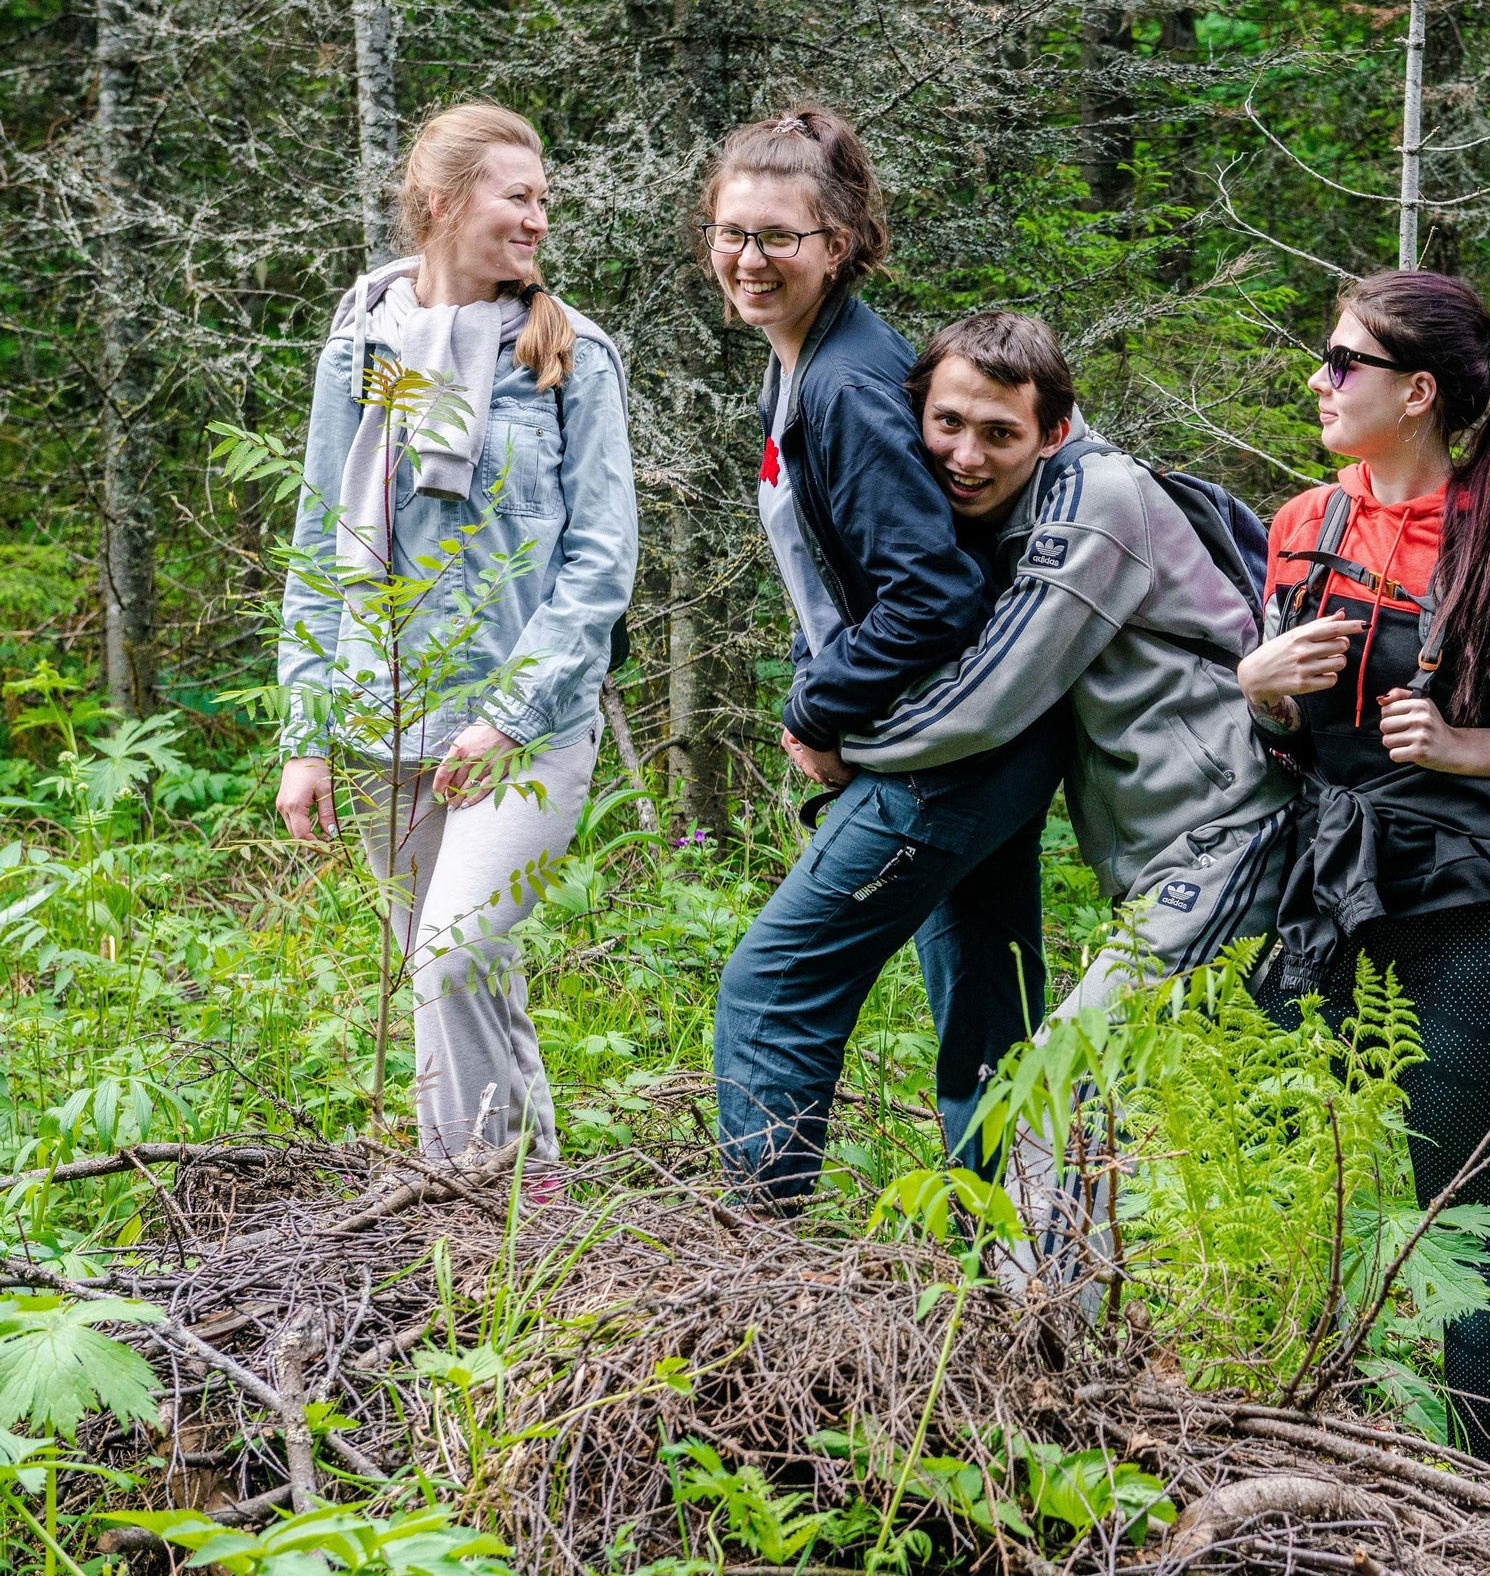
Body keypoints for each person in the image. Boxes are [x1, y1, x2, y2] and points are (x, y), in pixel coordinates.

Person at [1240, 270, 1490, 1458]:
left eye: (1343, 363)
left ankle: (1481, 1481)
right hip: (1326, 882)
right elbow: (1286, 737)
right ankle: (1286, 1428)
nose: (1318, 380)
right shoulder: (1301, 525)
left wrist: (1479, 747)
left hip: (1472, 900)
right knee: (1292, 1169)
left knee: (1464, 1200)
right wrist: (1256, 686)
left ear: (1416, 393)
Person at [702, 106, 1068, 1198]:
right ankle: (1020, 1263)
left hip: (949, 745)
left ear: (840, 243)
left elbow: (932, 593)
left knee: (770, 988)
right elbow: (852, 574)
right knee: (987, 1018)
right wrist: (828, 688)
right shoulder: (807, 365)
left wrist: (816, 709)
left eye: (780, 236)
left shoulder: (846, 385)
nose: (750, 259)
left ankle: (759, 1261)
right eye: (732, 232)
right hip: (981, 730)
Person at [276, 102, 638, 1166]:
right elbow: (321, 543)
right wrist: (306, 734)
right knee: (455, 986)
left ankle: (475, 1200)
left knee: (453, 956)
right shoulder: (362, 347)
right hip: (383, 722)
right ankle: (518, 1200)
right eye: (516, 196)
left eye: (542, 200)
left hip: (526, 731)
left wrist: (508, 716)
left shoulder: (568, 356)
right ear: (441, 203)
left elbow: (600, 564)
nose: (538, 219)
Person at [835, 312, 1292, 1033]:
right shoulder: (1030, 500)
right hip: (1169, 855)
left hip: (1230, 839)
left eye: (999, 434)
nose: (965, 456)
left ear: (1051, 432)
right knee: (1185, 1092)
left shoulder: (1095, 502)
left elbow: (991, 695)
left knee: (1060, 1084)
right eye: (948, 422)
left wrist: (845, 741)